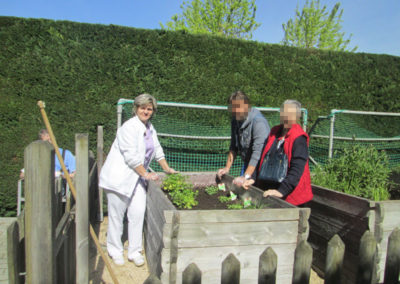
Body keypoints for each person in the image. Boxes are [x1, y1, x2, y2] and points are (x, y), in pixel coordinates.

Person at [99, 94, 177, 266]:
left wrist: (166, 168)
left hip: (136, 180)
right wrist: (146, 174)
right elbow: (131, 157)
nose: (146, 111)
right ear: (136, 108)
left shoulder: (149, 127)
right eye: (143, 108)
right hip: (118, 179)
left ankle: (134, 251)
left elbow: (157, 149)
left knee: (137, 213)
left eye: (149, 109)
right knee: (116, 216)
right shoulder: (128, 128)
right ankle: (115, 250)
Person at [243, 99, 313, 206]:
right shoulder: (274, 132)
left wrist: (281, 191)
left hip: (290, 196)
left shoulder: (299, 138)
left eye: (290, 114)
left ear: (297, 116)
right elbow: (263, 157)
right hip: (270, 189)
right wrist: (253, 178)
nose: (286, 116)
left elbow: (297, 169)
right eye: (284, 112)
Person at [217, 91, 270, 186]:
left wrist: (246, 176)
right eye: (233, 108)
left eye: (238, 108)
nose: (235, 111)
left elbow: (257, 153)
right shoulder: (235, 121)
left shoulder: (258, 123)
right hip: (248, 163)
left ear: (246, 106)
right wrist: (226, 168)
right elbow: (233, 146)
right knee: (242, 194)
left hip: (263, 167)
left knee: (256, 194)